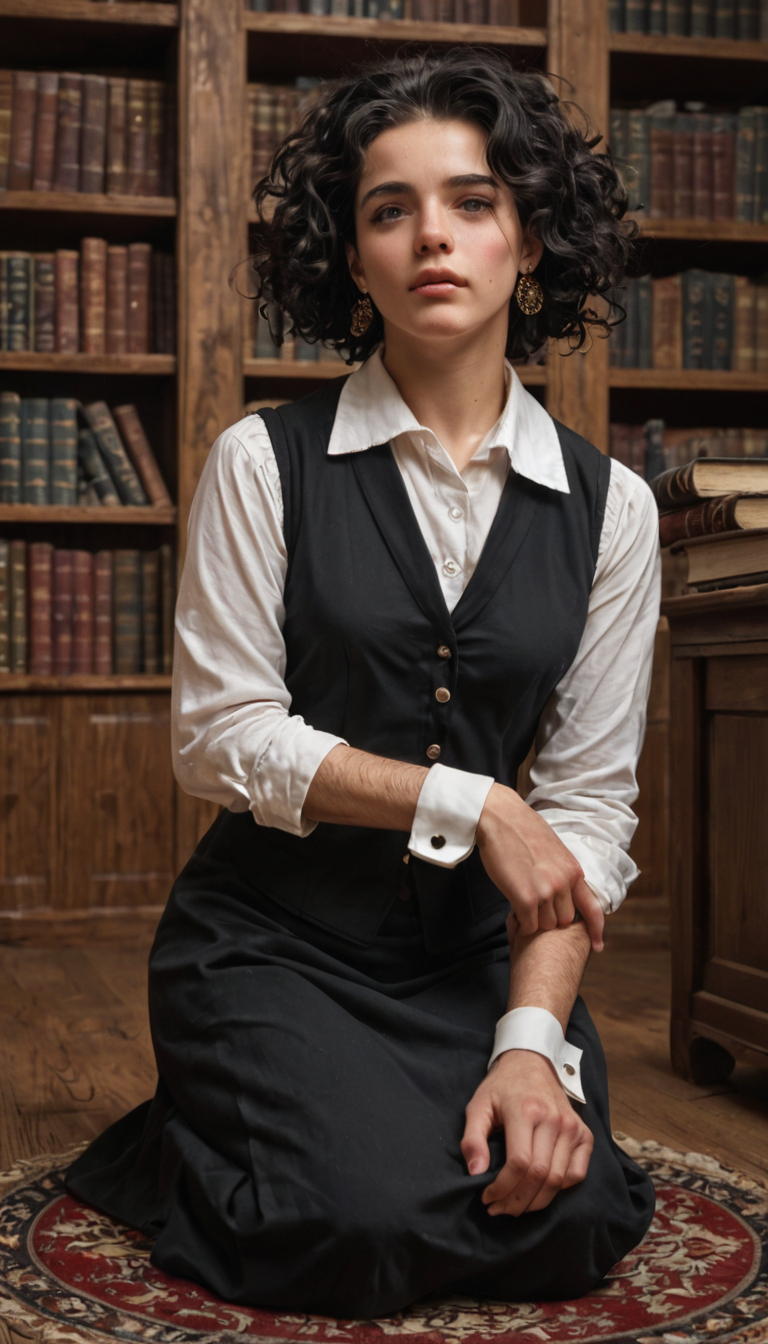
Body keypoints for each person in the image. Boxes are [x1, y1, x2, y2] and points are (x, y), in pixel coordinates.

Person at [67, 46, 660, 1321]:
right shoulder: (258, 462)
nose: (430, 237)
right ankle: (197, 1125)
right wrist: (475, 803)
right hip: (276, 940)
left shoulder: (614, 512)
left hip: (476, 966)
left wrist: (528, 1047)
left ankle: (410, 1098)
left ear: (531, 240)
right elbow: (219, 740)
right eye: (390, 210)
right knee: (358, 1225)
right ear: (352, 255)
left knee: (572, 1211)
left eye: (472, 201)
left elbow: (591, 811)